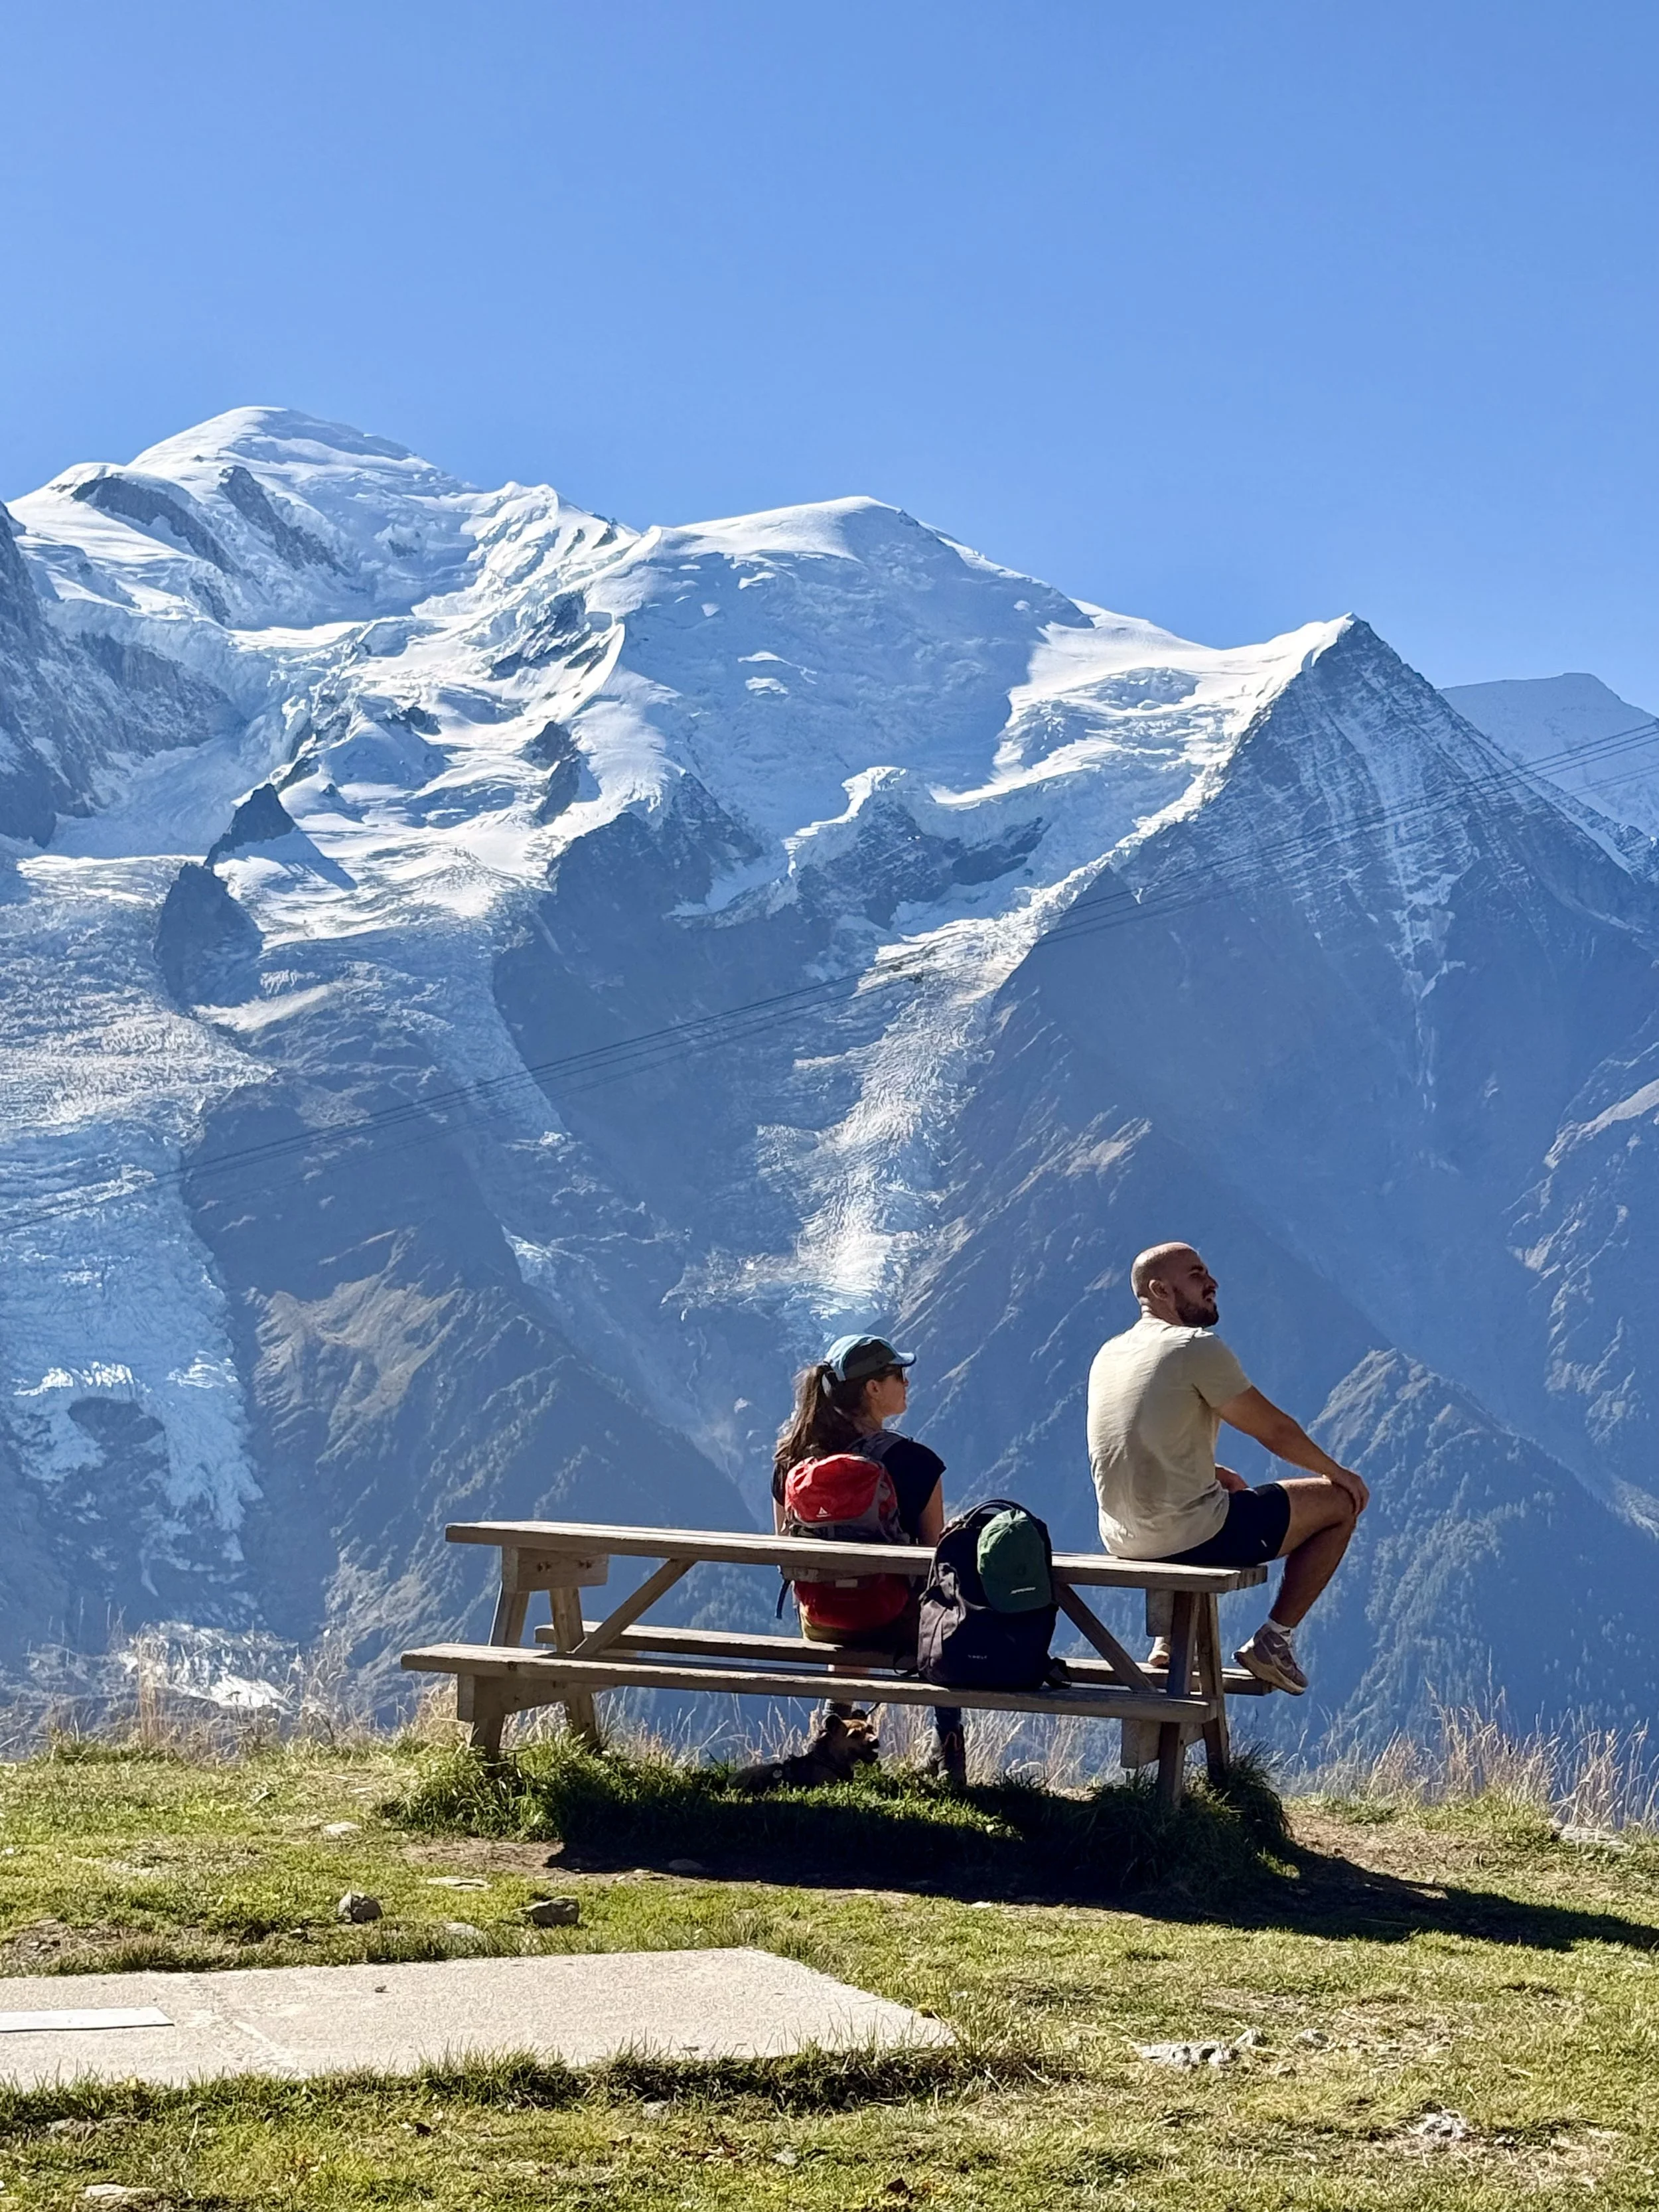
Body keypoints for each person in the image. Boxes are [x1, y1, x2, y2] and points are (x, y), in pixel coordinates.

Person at [1086, 1243, 1369, 1693]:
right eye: (1197, 1275)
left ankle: (1168, 1646)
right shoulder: (1193, 1345)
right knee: (1339, 1504)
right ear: (1160, 1289)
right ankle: (1274, 1641)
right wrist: (1339, 1473)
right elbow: (1273, 1429)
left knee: (1205, 1500)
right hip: (1188, 1534)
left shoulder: (1110, 1354)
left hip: (1123, 1537)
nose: (1213, 1283)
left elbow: (1130, 1443)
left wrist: (1210, 1469)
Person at [773, 1333, 967, 1784]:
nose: (907, 1381)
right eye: (897, 1374)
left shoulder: (791, 1460)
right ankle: (948, 1745)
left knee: (850, 1598)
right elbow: (933, 1564)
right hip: (891, 1618)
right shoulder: (917, 1462)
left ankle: (829, 1736)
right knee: (941, 1613)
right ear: (872, 1389)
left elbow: (783, 1546)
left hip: (820, 1619)